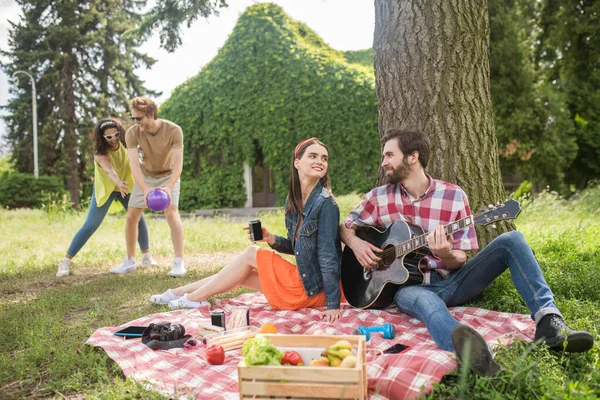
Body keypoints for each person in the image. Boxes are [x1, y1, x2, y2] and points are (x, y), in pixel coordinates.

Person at [340, 129, 594, 376]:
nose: (383, 162)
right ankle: (472, 352)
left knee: (512, 240)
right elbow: (345, 227)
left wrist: (446, 253)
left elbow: (460, 258)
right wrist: (356, 244)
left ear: (412, 157)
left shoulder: (453, 195)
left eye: (389, 155)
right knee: (429, 306)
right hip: (409, 288)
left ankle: (549, 322)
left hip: (454, 280)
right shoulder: (378, 197)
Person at [150, 138, 344, 323]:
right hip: (304, 281)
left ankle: (193, 298)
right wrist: (270, 239)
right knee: (237, 274)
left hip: (316, 290)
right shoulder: (293, 200)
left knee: (251, 253)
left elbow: (328, 257)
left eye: (324, 158)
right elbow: (300, 249)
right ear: (297, 163)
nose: (320, 161)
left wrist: (333, 304)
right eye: (313, 156)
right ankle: (178, 293)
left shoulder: (326, 203)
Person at [56, 118, 158, 277]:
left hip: (127, 185)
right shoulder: (100, 153)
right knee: (91, 224)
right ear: (102, 138)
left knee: (138, 219)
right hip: (107, 188)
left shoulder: (127, 143)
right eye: (108, 137)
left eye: (116, 134)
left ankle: (146, 257)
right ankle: (65, 261)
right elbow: (110, 170)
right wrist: (118, 182)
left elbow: (136, 162)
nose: (113, 139)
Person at [111, 97, 186, 276]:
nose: (136, 123)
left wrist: (168, 187)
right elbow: (134, 164)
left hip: (168, 175)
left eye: (139, 118)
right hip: (147, 175)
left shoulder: (174, 130)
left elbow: (178, 165)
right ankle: (129, 261)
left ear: (151, 114)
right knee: (131, 215)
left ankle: (178, 262)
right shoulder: (132, 133)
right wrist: (145, 188)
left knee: (171, 212)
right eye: (133, 118)